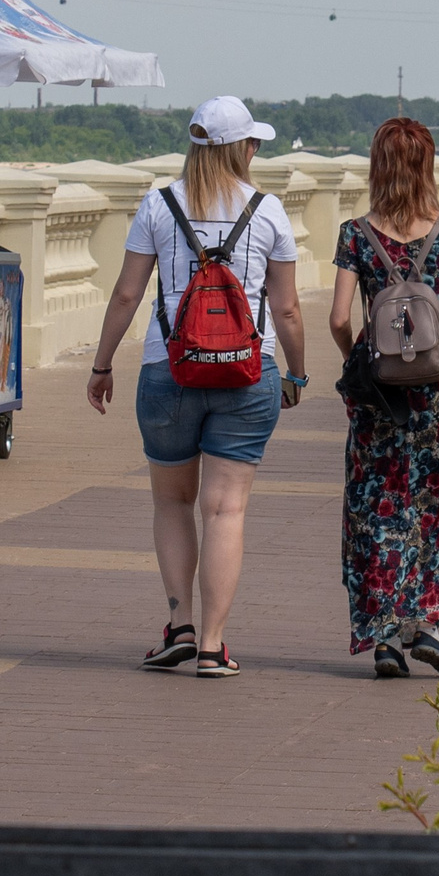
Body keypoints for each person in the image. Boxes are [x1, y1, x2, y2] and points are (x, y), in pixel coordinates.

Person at [86, 97, 309, 676]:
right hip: (247, 370)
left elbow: (127, 295)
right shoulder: (268, 212)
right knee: (225, 510)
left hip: (169, 372)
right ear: (245, 148)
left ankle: (179, 624)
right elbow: (285, 310)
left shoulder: (158, 205)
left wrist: (102, 364)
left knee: (171, 502)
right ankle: (213, 645)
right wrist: (297, 372)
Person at [329, 116, 439, 679]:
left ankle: (383, 637)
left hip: (379, 403)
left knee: (377, 508)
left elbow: (338, 318)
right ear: (427, 166)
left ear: (378, 166)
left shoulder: (355, 234)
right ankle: (425, 622)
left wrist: (363, 364)